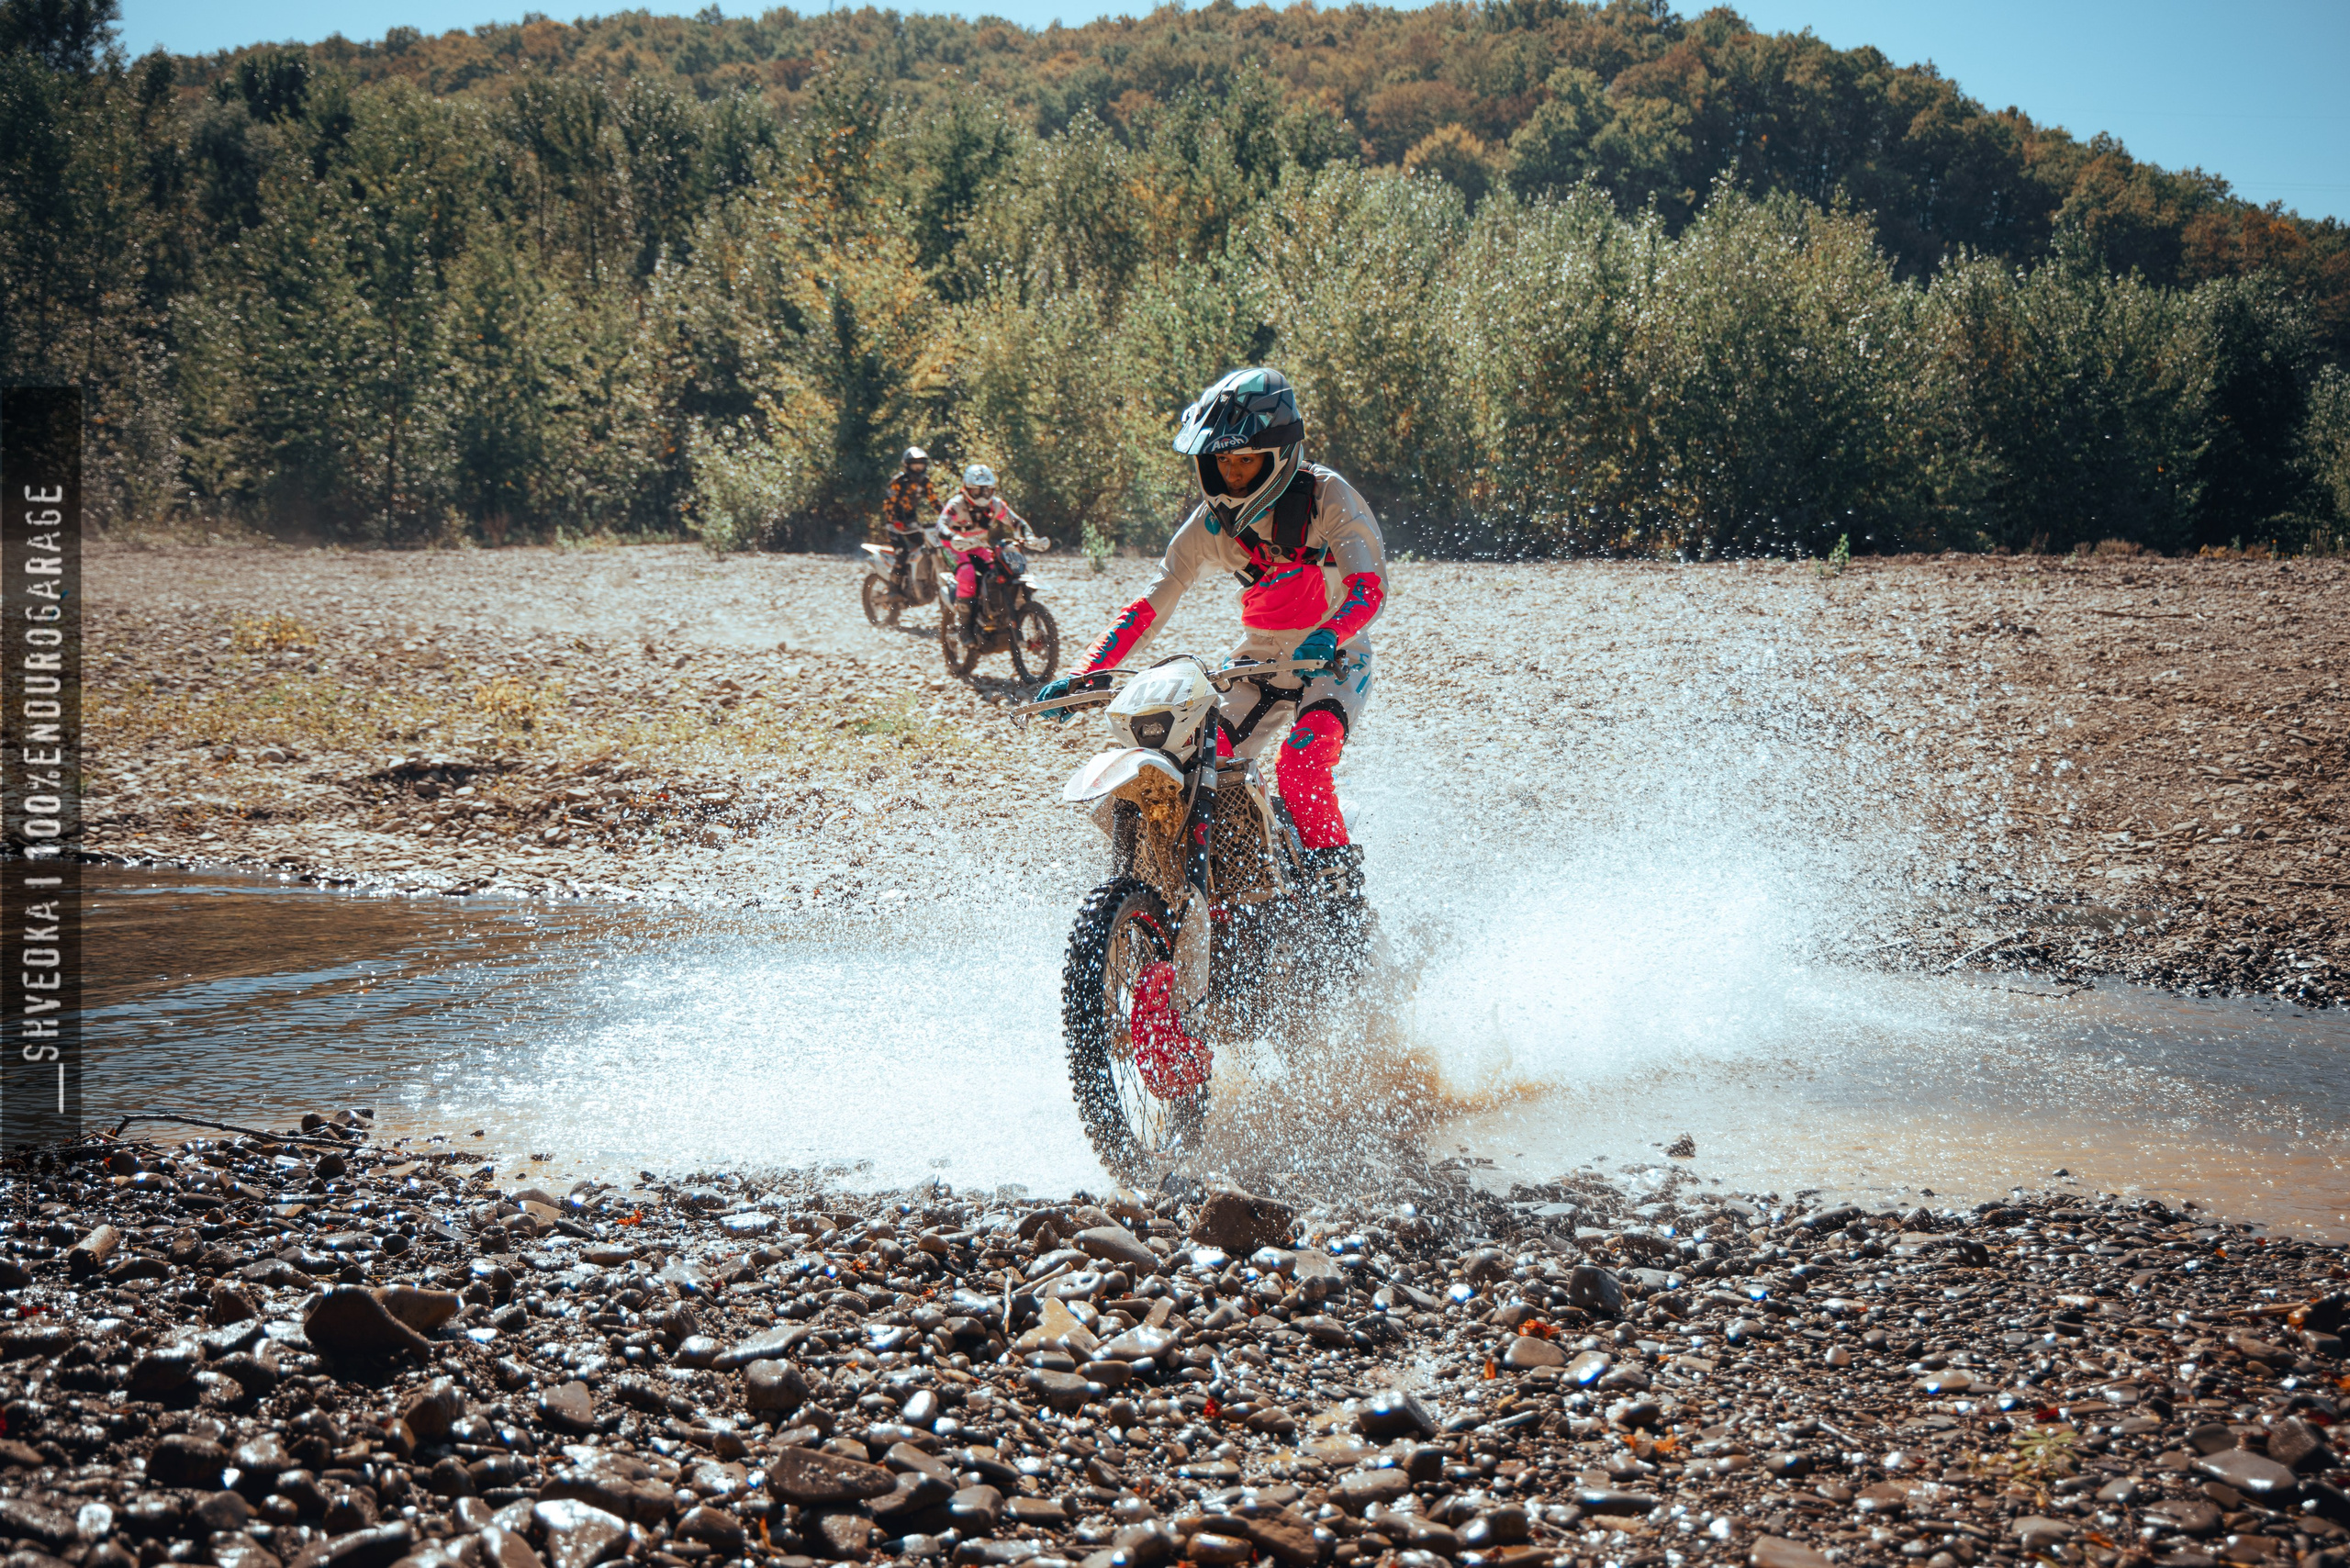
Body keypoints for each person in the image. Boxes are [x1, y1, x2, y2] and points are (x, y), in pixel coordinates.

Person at [1035, 367, 1385, 900]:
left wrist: (1330, 633)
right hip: (1257, 662)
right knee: (1199, 761)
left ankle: (1340, 903)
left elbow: (1370, 587)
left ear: (1278, 454)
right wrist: (1084, 673)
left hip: (1337, 660)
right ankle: (1222, 892)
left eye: (1246, 460)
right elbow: (1151, 603)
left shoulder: (1328, 497)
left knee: (1302, 764)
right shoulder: (1210, 526)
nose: (1235, 474)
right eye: (1224, 461)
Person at [938, 463, 1031, 641]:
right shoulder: (956, 504)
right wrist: (953, 537)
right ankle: (965, 628)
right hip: (954, 547)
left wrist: (1029, 535)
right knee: (967, 574)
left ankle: (994, 613)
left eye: (987, 491)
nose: (982, 496)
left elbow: (1015, 521)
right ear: (966, 489)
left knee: (999, 572)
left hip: (979, 546)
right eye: (977, 491)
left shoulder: (995, 505)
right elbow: (941, 525)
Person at [879, 447, 939, 577]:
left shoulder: (925, 482)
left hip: (911, 520)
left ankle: (918, 579)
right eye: (915, 466)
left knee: (926, 548)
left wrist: (947, 517)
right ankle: (894, 588)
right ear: (907, 465)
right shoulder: (898, 482)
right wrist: (895, 521)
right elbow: (888, 505)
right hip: (894, 522)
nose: (918, 470)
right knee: (902, 553)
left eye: (921, 466)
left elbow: (935, 501)